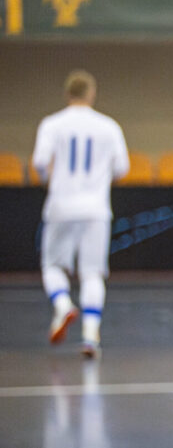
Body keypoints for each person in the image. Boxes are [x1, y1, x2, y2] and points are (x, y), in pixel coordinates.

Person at [32, 70, 129, 358]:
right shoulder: (108, 126)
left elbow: (39, 162)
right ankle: (90, 336)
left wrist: (47, 177)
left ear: (67, 94)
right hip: (96, 210)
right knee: (92, 273)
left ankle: (62, 305)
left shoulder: (52, 124)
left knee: (52, 266)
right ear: (92, 94)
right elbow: (122, 169)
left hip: (60, 206)